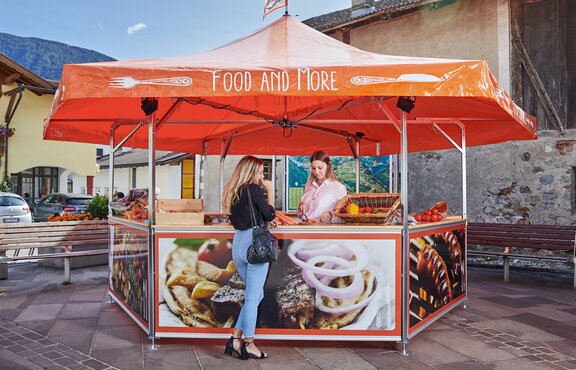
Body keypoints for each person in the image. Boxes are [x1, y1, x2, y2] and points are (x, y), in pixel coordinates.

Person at [222, 156, 275, 360]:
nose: (262, 177)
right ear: (252, 172)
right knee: (253, 298)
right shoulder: (253, 189)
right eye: (261, 172)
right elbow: (269, 214)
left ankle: (235, 338)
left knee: (256, 295)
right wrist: (269, 190)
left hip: (239, 244)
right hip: (255, 245)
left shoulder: (233, 190)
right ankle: (249, 343)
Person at [297, 150, 347, 223]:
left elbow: (344, 216)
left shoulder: (339, 188)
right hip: (306, 227)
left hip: (324, 230)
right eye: (313, 168)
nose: (316, 172)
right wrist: (301, 208)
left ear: (328, 166)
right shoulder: (309, 184)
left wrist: (331, 216)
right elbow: (300, 214)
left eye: (320, 168)